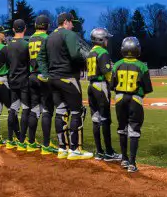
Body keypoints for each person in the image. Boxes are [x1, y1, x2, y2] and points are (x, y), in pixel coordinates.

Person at [37, 12, 93, 160]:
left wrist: (46, 73)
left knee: (61, 111)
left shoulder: (49, 37)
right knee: (76, 112)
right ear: (66, 22)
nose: (73, 25)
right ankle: (74, 150)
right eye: (72, 22)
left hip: (53, 79)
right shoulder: (70, 34)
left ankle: (63, 148)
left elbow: (40, 57)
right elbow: (75, 55)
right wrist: (82, 65)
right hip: (68, 78)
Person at [111, 37, 153, 173]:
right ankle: (132, 163)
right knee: (134, 130)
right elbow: (147, 88)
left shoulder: (117, 65)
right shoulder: (142, 66)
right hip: (135, 99)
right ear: (137, 49)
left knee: (122, 128)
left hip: (119, 99)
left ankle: (124, 158)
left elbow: (112, 85)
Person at [86, 28, 122, 161]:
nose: (107, 40)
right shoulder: (103, 52)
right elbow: (107, 73)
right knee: (105, 119)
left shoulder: (90, 52)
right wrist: (114, 85)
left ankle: (99, 152)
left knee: (96, 120)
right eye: (106, 38)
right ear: (101, 40)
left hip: (91, 87)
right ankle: (109, 152)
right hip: (100, 87)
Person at [27, 15, 56, 155]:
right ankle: (46, 144)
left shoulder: (31, 38)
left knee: (34, 109)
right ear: (47, 26)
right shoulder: (48, 38)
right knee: (47, 110)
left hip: (32, 75)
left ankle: (31, 142)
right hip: (44, 76)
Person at [6, 19, 32, 152]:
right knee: (26, 109)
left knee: (13, 109)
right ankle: (22, 140)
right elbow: (30, 63)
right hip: (24, 81)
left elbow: (7, 64)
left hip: (12, 80)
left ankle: (10, 140)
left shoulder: (8, 45)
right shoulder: (26, 45)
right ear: (25, 29)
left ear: (13, 29)